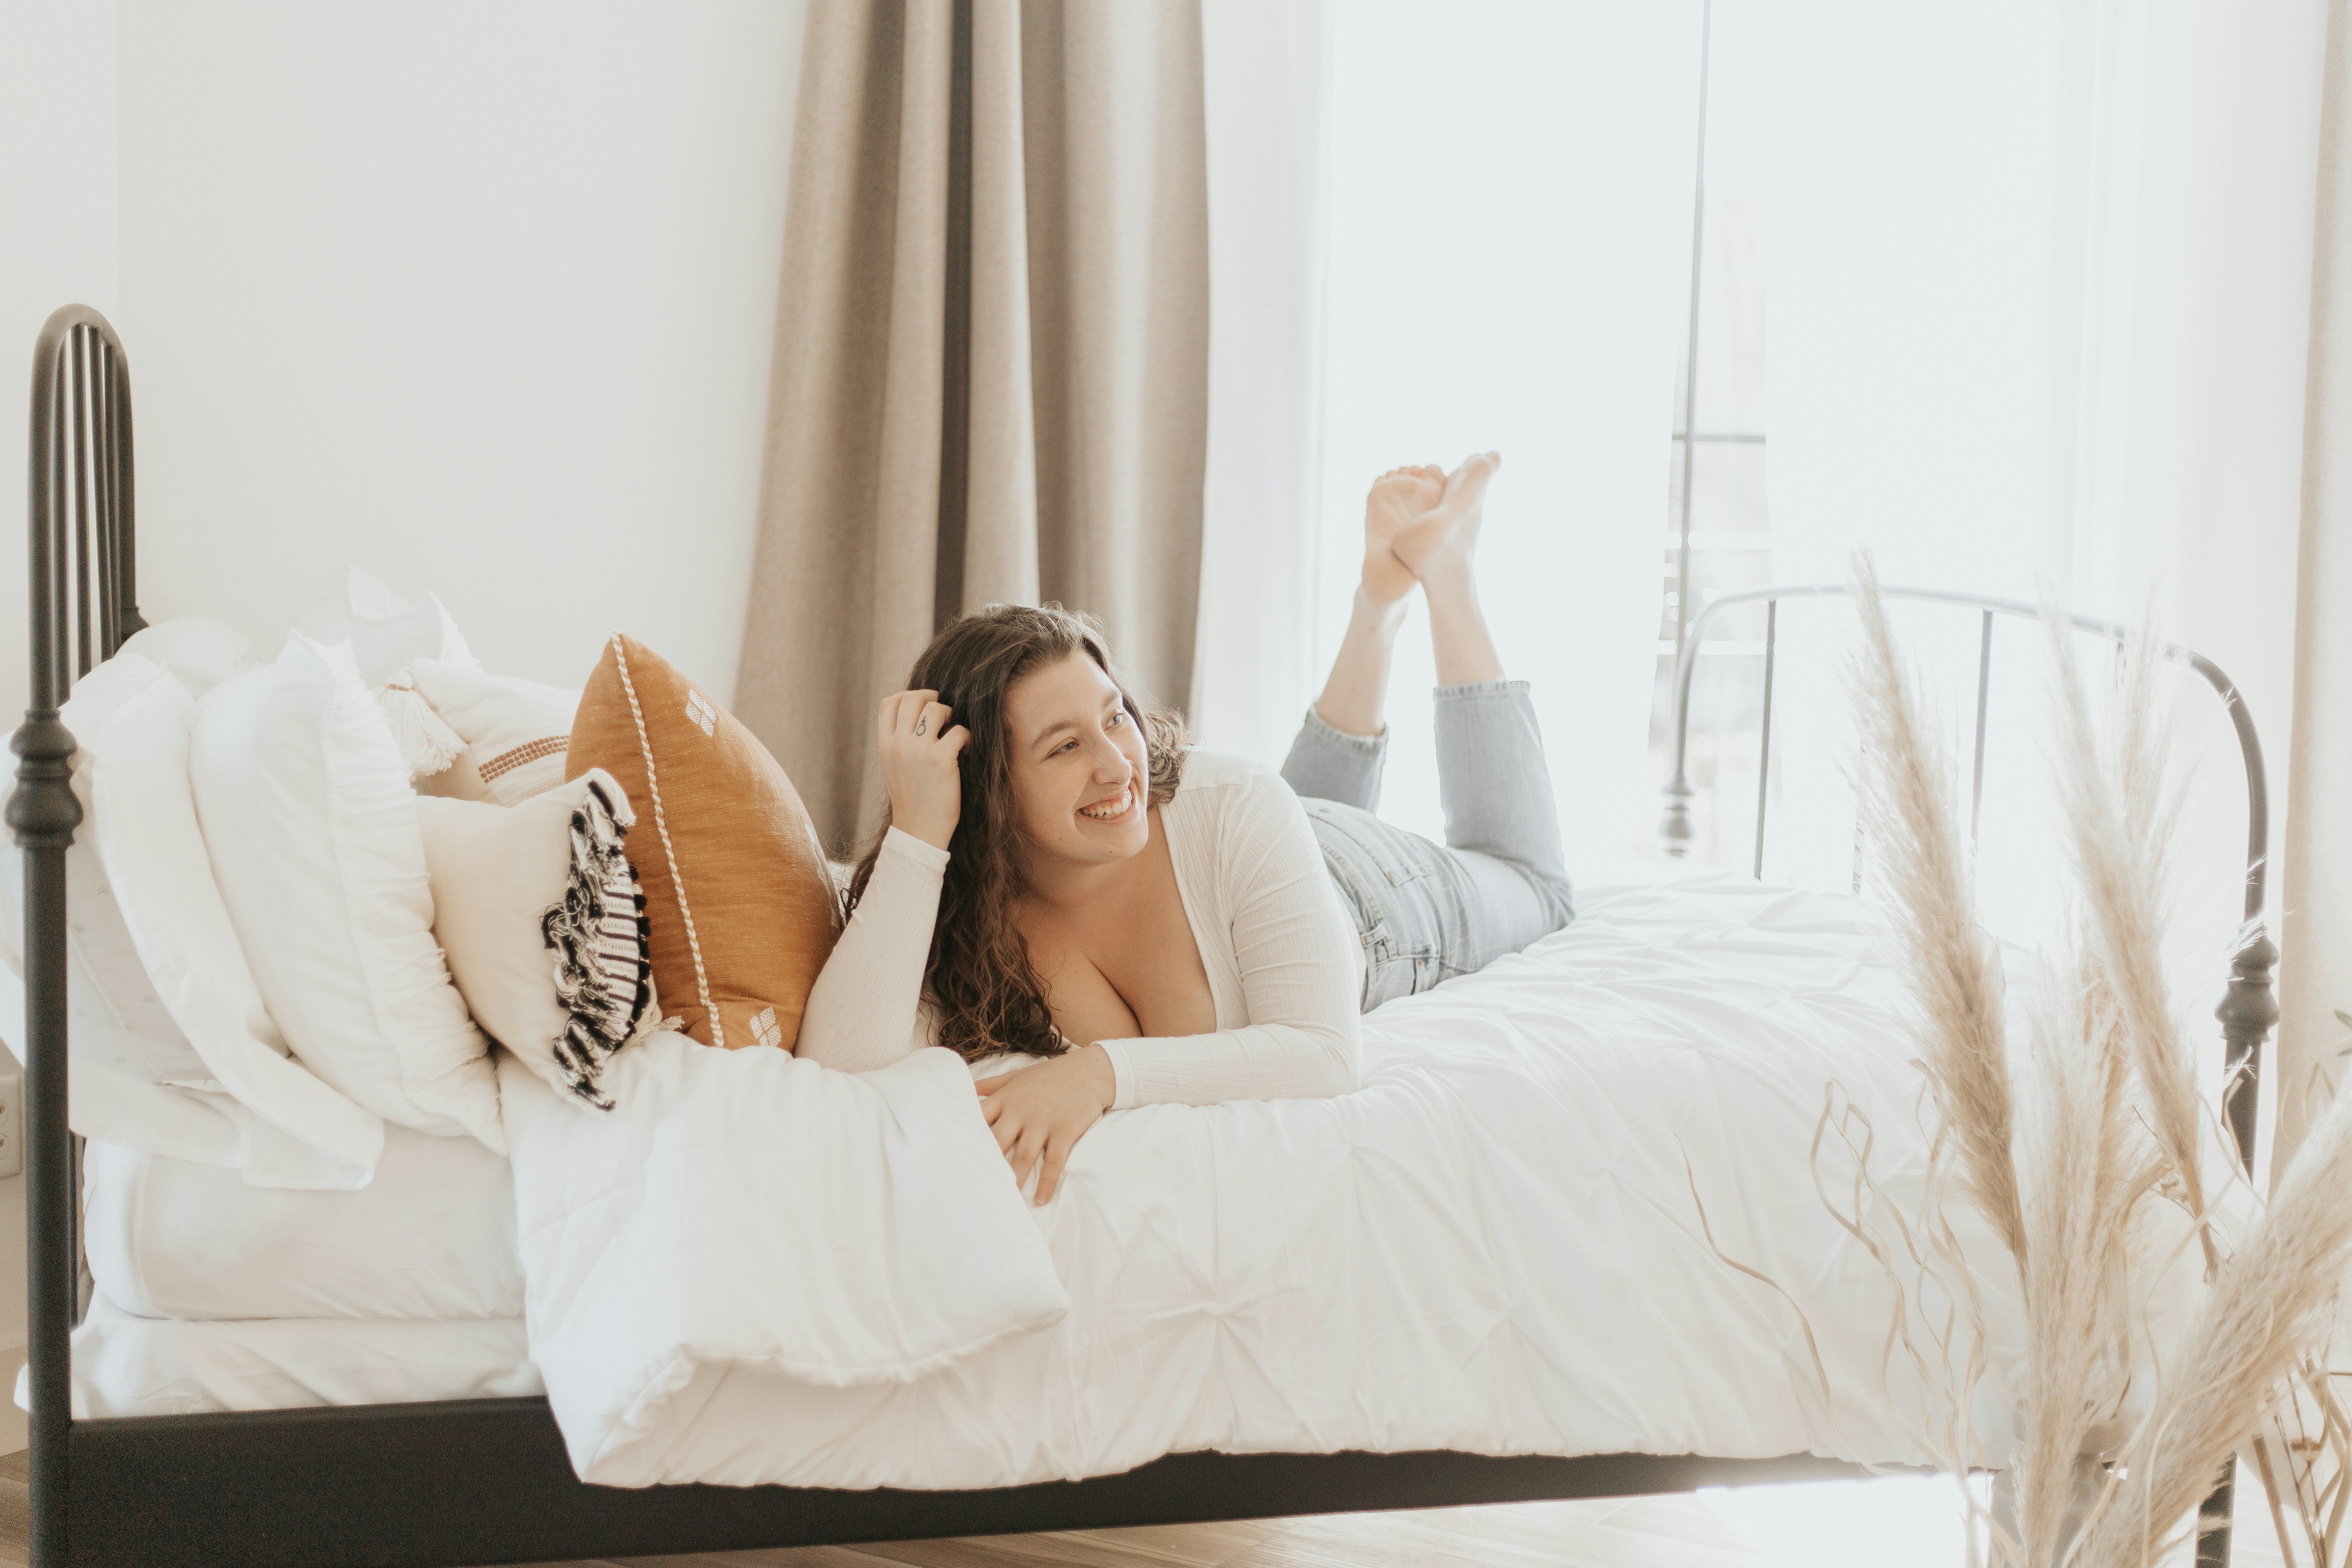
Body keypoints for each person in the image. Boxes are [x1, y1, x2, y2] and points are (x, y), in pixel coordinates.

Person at [795, 452, 1574, 1203]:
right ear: (986, 792)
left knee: (1536, 888)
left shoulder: (1232, 802)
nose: (1116, 765)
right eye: (1064, 747)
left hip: (1365, 901)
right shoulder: (969, 912)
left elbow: (1325, 1053)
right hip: (1265, 850)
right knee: (1282, 807)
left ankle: (1443, 575)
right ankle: (1379, 597)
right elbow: (839, 1071)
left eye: (1115, 718)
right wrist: (920, 834)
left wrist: (1099, 1073)